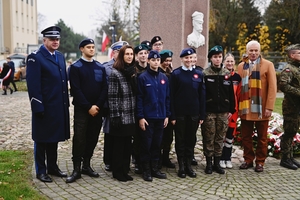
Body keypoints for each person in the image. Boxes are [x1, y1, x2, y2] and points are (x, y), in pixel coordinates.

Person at [26, 26, 70, 183]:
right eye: (52, 39)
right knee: (41, 140)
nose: (55, 41)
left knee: (54, 139)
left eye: (57, 39)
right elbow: (33, 85)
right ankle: (41, 170)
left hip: (58, 106)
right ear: (44, 40)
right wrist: (37, 106)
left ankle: (52, 166)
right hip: (44, 107)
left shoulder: (60, 56)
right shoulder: (35, 58)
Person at [66, 38, 108, 183]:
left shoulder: (99, 67)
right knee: (80, 138)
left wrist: (98, 105)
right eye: (88, 47)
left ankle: (86, 165)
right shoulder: (76, 67)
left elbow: (104, 87)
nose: (91, 49)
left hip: (97, 109)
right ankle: (76, 168)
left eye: (93, 47)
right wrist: (88, 107)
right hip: (83, 110)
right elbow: (76, 90)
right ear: (81, 49)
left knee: (93, 137)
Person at [238, 40, 277, 173]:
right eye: (251, 51)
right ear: (247, 51)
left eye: (256, 51)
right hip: (245, 107)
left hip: (261, 108)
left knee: (262, 137)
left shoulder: (268, 65)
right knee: (246, 136)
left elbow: (273, 88)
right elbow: (238, 88)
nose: (253, 53)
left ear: (259, 51)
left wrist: (269, 107)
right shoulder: (241, 66)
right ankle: (248, 159)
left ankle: (260, 161)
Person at [170, 48, 206, 178]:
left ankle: (189, 165)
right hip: (180, 114)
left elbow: (202, 95)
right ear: (182, 59)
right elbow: (171, 96)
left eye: (191, 58)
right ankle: (181, 166)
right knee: (180, 140)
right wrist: (172, 115)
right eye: (186, 58)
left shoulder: (198, 74)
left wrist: (202, 114)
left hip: (194, 114)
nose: (189, 60)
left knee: (191, 140)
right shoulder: (176, 74)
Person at [137, 50, 170, 181]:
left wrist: (167, 115)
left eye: (157, 60)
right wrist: (140, 117)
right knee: (147, 144)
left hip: (161, 117)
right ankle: (146, 170)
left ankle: (155, 168)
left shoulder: (164, 78)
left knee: (157, 144)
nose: (155, 62)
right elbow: (139, 98)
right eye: (153, 60)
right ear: (149, 61)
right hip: (147, 118)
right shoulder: (142, 77)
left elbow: (167, 98)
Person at [201, 46, 235, 175]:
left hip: (223, 111)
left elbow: (231, 93)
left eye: (219, 57)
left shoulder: (226, 74)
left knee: (220, 137)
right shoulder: (205, 73)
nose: (217, 59)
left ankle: (217, 163)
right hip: (209, 111)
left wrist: (231, 108)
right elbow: (202, 94)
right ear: (211, 58)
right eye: (215, 57)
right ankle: (209, 163)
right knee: (209, 137)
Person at [108, 45, 136, 182]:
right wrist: (115, 115)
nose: (130, 56)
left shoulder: (132, 72)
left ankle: (125, 170)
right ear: (122, 56)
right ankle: (117, 171)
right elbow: (112, 96)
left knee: (127, 145)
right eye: (127, 54)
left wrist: (133, 77)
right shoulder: (115, 73)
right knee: (119, 146)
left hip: (131, 114)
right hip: (120, 115)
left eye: (131, 54)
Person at [102, 41, 129, 172]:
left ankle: (120, 161)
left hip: (125, 107)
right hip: (110, 106)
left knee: (121, 135)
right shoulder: (106, 67)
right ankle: (108, 160)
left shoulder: (128, 67)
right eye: (118, 51)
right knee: (109, 133)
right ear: (115, 52)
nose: (120, 54)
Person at [278, 44, 300, 170]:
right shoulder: (288, 69)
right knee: (289, 132)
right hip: (291, 106)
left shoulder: (296, 68)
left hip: (297, 106)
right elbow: (284, 86)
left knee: (293, 131)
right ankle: (285, 159)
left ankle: (290, 156)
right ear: (292, 55)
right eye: (299, 53)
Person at [219, 53, 241, 169]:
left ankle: (228, 158)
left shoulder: (237, 77)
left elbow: (238, 94)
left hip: (234, 111)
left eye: (232, 61)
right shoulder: (221, 75)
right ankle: (221, 158)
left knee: (230, 136)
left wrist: (235, 110)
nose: (230, 63)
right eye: (228, 61)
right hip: (223, 110)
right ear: (224, 62)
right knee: (221, 135)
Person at [132, 43, 149, 174]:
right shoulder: (133, 70)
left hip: (149, 107)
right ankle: (137, 161)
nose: (143, 56)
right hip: (136, 105)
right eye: (141, 54)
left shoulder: (152, 69)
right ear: (137, 56)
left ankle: (148, 161)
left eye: (145, 53)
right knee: (137, 136)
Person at [158, 49, 175, 168]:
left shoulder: (171, 73)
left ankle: (165, 157)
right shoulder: (158, 73)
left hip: (169, 107)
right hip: (159, 108)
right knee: (160, 136)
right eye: (166, 61)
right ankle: (158, 158)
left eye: (169, 61)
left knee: (169, 136)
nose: (167, 63)